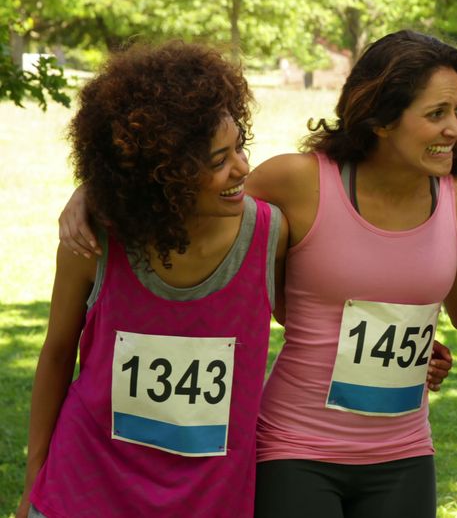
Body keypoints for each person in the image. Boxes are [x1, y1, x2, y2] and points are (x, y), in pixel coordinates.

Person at [55, 30, 457, 517]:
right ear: (382, 120)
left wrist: (420, 346)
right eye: (436, 114)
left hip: (405, 448)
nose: (454, 129)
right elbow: (181, 184)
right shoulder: (295, 182)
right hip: (295, 445)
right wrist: (93, 190)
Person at [19, 42, 289, 517]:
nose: (242, 168)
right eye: (217, 160)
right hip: (84, 488)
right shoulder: (94, 241)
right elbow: (58, 352)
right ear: (160, 172)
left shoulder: (271, 234)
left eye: (240, 146)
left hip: (211, 500)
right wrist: (33, 482)